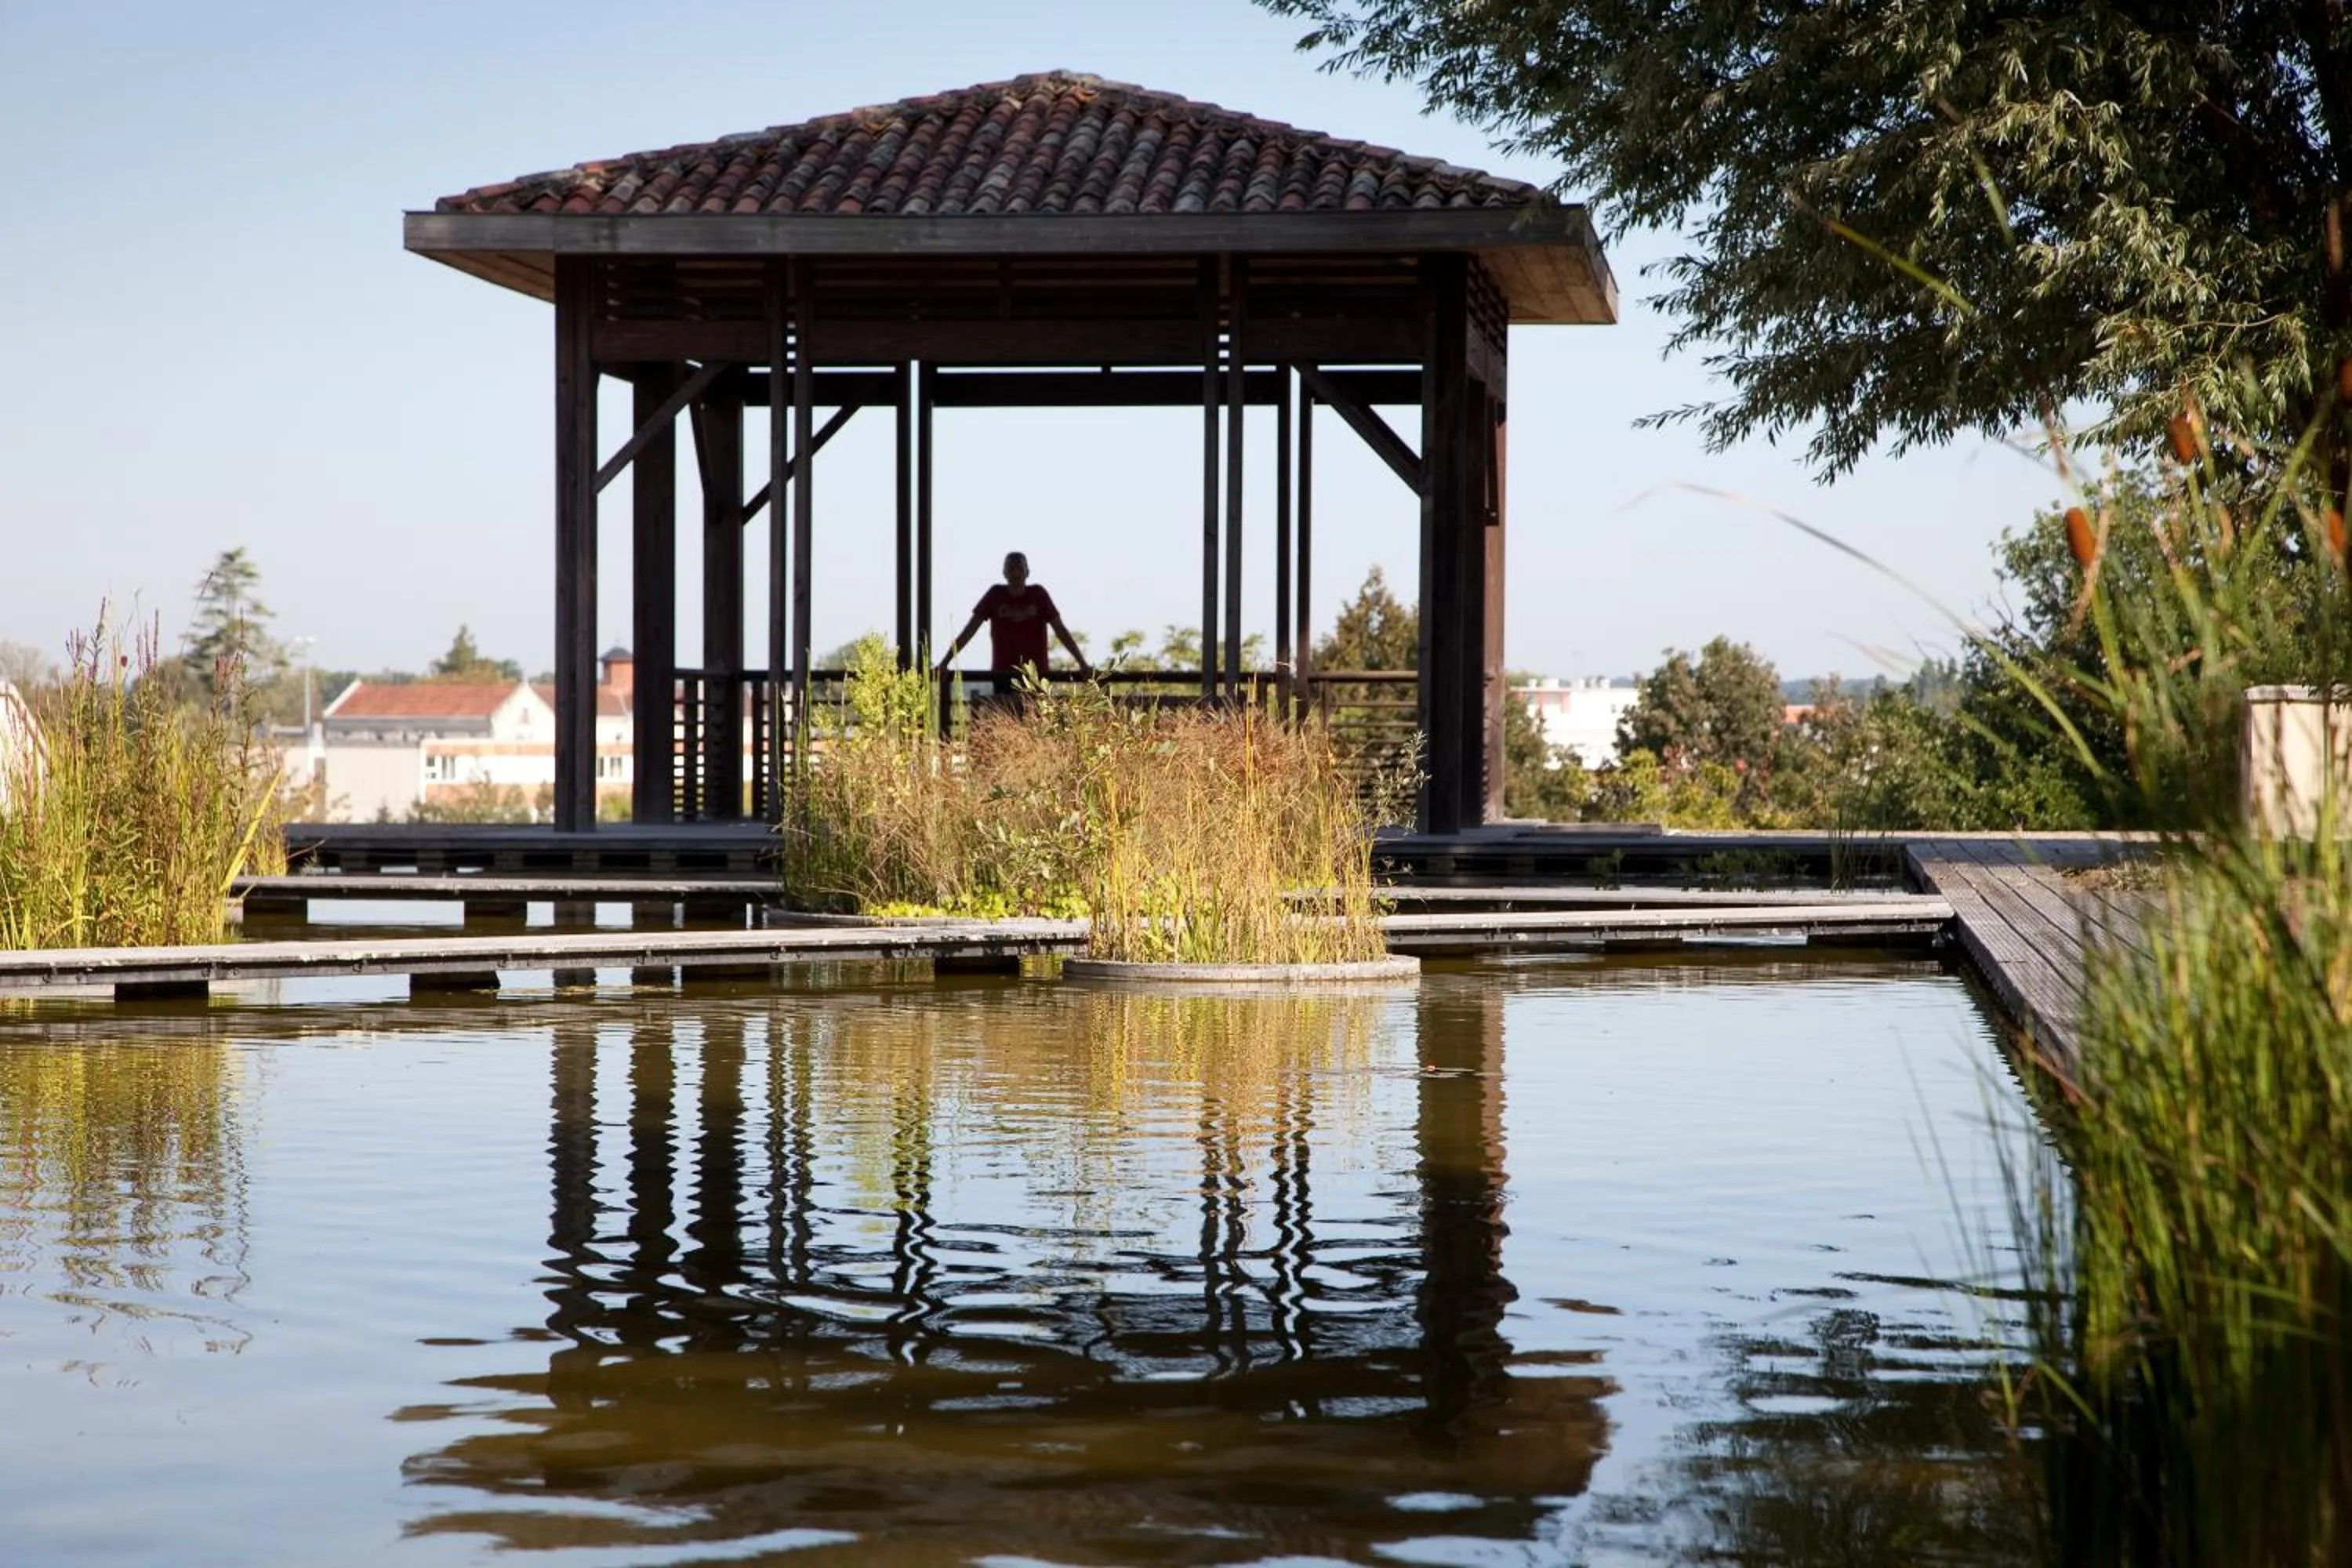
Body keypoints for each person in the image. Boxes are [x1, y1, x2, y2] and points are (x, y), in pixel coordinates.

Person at [936, 552, 1091, 691]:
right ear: (1005, 573)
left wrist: (1082, 663)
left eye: (1020, 569)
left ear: (1027, 572)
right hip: (1003, 676)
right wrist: (945, 661)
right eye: (1011, 569)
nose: (1016, 573)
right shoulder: (995, 595)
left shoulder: (1039, 595)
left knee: (1035, 720)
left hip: (1036, 677)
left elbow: (1060, 630)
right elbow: (969, 631)